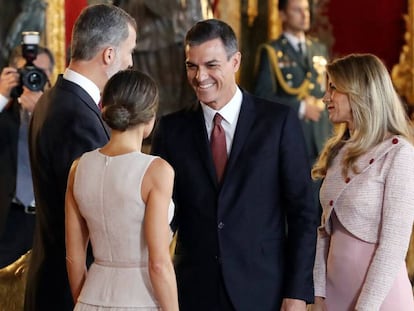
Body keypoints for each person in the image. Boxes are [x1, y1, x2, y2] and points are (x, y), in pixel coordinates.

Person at [151, 19, 317, 311]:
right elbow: (164, 214)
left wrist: (298, 292)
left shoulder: (278, 122)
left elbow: (303, 212)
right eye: (192, 66)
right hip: (194, 292)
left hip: (265, 291)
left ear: (235, 61)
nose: (200, 76)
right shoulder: (171, 129)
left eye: (211, 65)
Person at [24, 4, 137, 311]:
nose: (130, 62)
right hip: (72, 291)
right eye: (129, 51)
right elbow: (96, 213)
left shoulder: (53, 98)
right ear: (109, 55)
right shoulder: (76, 117)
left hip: (53, 281)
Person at [65, 69, 179, 311]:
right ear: (150, 118)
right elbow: (158, 264)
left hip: (90, 297)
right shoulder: (157, 170)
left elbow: (74, 258)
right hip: (142, 300)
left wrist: (84, 302)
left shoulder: (78, 167)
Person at [311, 53, 414, 310]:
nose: (325, 98)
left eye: (333, 88)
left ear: (359, 90)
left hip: (380, 302)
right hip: (333, 299)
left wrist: (364, 308)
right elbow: (325, 230)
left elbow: (394, 245)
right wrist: (318, 295)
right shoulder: (338, 151)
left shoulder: (399, 152)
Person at [254, 0, 331, 214]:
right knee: (296, 210)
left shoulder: (319, 49)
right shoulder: (271, 52)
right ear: (283, 15)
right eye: (297, 10)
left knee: (320, 210)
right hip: (291, 140)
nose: (304, 15)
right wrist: (299, 107)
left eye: (306, 10)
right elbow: (262, 97)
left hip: (320, 140)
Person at [0, 45, 54, 269]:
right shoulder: (4, 111)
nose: (33, 78)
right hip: (7, 218)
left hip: (46, 220)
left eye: (40, 73)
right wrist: (1, 96)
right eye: (27, 72)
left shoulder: (58, 114)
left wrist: (41, 112)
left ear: (50, 76)